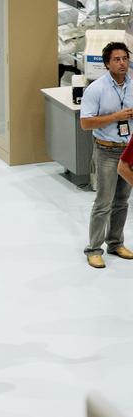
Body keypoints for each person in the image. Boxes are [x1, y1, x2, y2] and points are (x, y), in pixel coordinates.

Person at [81, 41, 133, 268]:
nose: (122, 63)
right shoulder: (96, 89)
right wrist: (115, 116)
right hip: (106, 151)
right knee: (104, 202)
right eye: (116, 59)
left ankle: (115, 243)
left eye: (125, 58)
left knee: (122, 201)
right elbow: (85, 123)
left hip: (128, 151)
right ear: (107, 64)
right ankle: (94, 248)